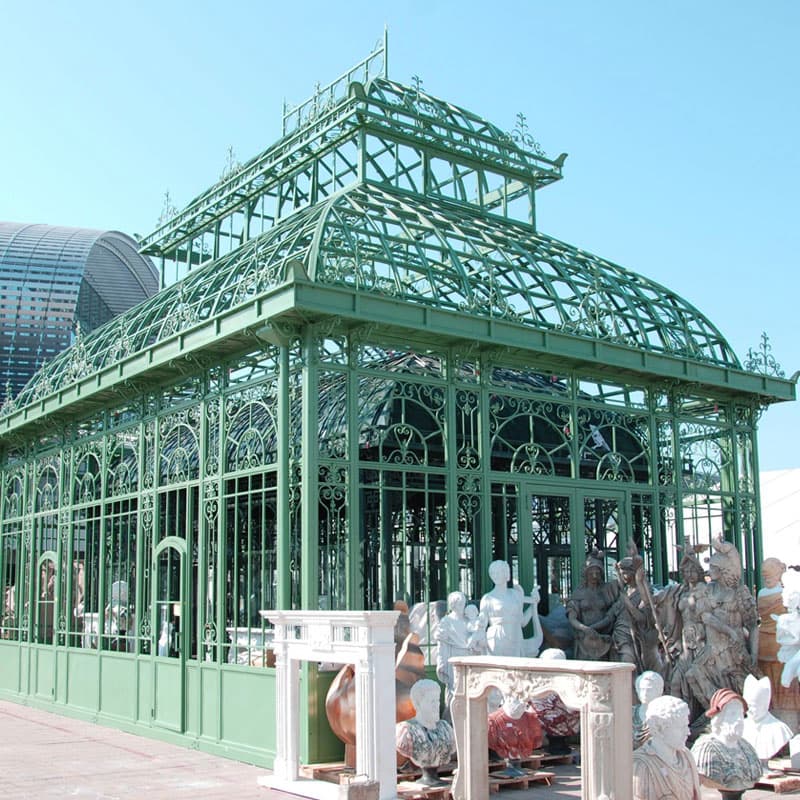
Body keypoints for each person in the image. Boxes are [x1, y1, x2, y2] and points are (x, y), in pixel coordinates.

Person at [685, 537, 758, 708]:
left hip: (733, 650)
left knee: (736, 686)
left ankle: (733, 711)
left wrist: (754, 654)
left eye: (712, 568)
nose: (708, 571)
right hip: (713, 648)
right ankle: (716, 710)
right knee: (692, 674)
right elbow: (706, 618)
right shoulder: (708, 590)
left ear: (723, 570)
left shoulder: (739, 593)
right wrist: (729, 630)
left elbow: (753, 626)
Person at [690, 688, 763, 799]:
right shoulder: (705, 748)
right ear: (719, 718)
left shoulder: (747, 747)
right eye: (733, 714)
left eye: (741, 715)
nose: (739, 720)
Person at [631, 695, 702, 800]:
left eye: (686, 725)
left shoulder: (686, 756)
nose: (688, 732)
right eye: (681, 727)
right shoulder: (640, 764)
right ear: (659, 729)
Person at [757, 557, 800, 725]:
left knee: (773, 688)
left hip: (765, 644)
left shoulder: (761, 593)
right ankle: (789, 723)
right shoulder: (783, 592)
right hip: (781, 646)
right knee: (786, 689)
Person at [395, 679, 455, 787]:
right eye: (431, 701)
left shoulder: (446, 728)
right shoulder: (406, 731)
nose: (436, 706)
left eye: (437, 700)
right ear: (418, 704)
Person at [479, 560, 541, 658]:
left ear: (506, 573)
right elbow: (481, 625)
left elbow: (523, 622)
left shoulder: (516, 595)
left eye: (498, 572)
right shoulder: (487, 598)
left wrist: (534, 604)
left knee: (516, 670)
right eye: (493, 573)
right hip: (496, 637)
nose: (495, 575)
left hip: (516, 635)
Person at [565, 548, 618, 660]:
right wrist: (585, 629)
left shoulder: (606, 591)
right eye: (591, 573)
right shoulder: (578, 593)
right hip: (584, 639)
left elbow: (611, 615)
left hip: (602, 638)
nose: (594, 576)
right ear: (586, 574)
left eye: (597, 573)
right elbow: (572, 618)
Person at [741, 674, 792, 766]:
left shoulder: (779, 729)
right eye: (748, 706)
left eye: (754, 706)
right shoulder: (741, 726)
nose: (750, 710)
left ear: (765, 705)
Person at [487, 694, 543, 777]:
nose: (520, 705)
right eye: (516, 702)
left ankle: (515, 765)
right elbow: (492, 740)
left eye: (523, 703)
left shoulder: (530, 719)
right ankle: (512, 765)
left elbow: (536, 738)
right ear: (508, 701)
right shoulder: (493, 720)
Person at [434, 591, 474, 708]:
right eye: (460, 604)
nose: (462, 607)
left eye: (463, 603)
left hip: (469, 657)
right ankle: (451, 717)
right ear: (453, 605)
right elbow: (441, 642)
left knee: (470, 688)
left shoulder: (468, 620)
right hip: (455, 658)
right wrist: (441, 662)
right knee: (454, 688)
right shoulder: (447, 621)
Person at [632, 670, 664, 749]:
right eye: (642, 689)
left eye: (649, 690)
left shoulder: (664, 714)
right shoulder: (630, 713)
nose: (645, 694)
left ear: (659, 691)